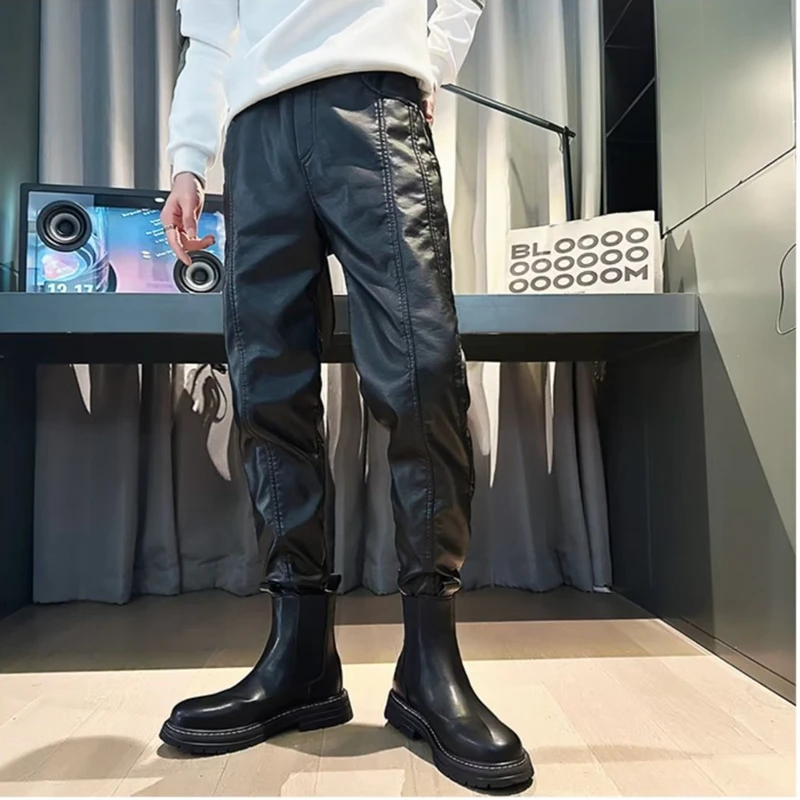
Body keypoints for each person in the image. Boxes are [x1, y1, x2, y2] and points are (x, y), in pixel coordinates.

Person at [158, 0, 532, 790]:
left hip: (372, 102)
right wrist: (188, 161)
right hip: (255, 132)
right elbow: (207, 37)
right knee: (266, 388)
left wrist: (429, 67)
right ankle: (301, 661)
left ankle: (429, 664)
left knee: (421, 373)